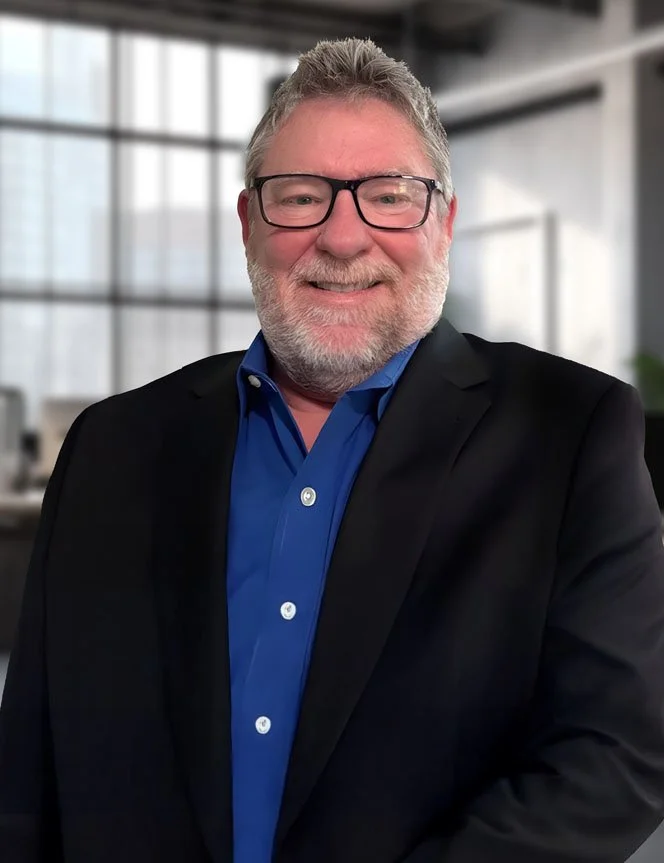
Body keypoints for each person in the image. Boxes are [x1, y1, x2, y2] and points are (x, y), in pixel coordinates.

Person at [1, 36, 664, 863]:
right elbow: (27, 774)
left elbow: (616, 753)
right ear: (249, 223)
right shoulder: (111, 447)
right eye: (301, 195)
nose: (343, 237)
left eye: (389, 195)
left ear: (444, 224)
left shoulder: (570, 433)